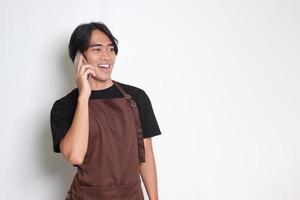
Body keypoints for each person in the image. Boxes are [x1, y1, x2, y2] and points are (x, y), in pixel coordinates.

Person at [50, 22, 161, 200]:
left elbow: (145, 156)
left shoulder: (137, 98)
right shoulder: (64, 106)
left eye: (111, 49)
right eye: (97, 49)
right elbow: (76, 156)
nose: (107, 57)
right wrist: (84, 96)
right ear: (80, 57)